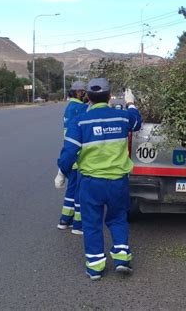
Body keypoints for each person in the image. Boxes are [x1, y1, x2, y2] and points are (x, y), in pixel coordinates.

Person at [55, 78, 142, 280]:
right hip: (118, 182)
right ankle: (121, 258)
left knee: (92, 223)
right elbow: (137, 122)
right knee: (117, 218)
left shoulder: (81, 121)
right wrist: (130, 102)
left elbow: (69, 153)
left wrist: (61, 173)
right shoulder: (122, 117)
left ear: (88, 97)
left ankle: (95, 267)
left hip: (91, 183)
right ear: (109, 95)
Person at [57, 81, 88, 234]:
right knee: (80, 193)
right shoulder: (81, 108)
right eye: (84, 92)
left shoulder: (69, 108)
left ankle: (64, 220)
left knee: (71, 190)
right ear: (78, 93)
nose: (86, 95)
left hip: (69, 154)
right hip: (78, 156)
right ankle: (78, 224)